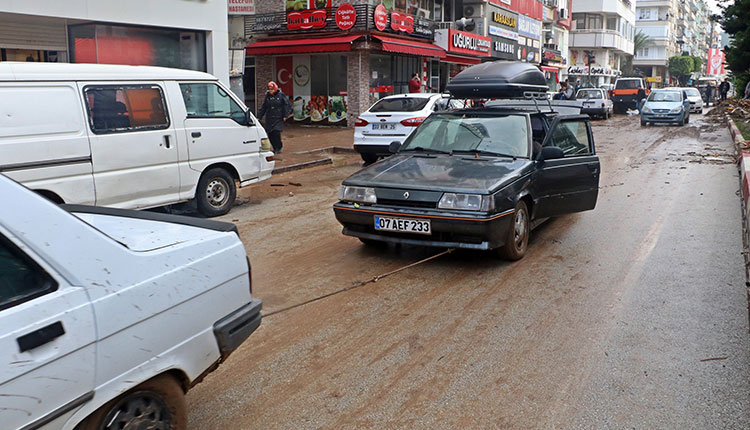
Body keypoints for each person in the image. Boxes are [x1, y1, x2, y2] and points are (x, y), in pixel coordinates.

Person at [257, 81, 292, 154]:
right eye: (269, 89)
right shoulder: (268, 96)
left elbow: (286, 105)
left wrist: (285, 115)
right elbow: (264, 107)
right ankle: (275, 147)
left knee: (276, 132)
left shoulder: (281, 95)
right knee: (270, 133)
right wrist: (259, 116)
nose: (270, 91)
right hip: (270, 117)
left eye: (272, 89)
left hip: (278, 117)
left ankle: (279, 147)